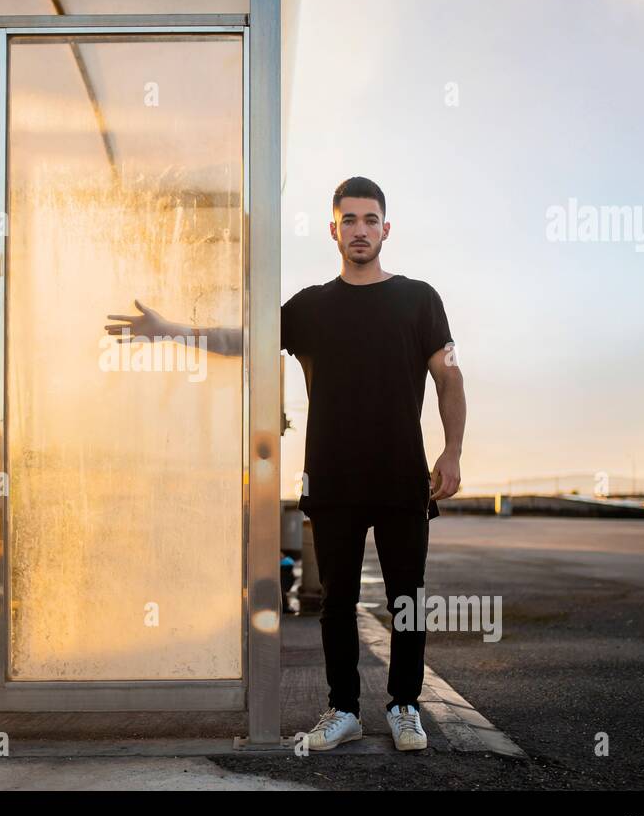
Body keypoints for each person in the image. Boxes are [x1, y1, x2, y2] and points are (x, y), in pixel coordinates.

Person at [105, 176, 466, 752]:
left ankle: (404, 707)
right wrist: (170, 330)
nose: (360, 230)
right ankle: (343, 709)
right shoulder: (311, 307)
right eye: (348, 220)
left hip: (402, 479)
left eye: (370, 220)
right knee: (337, 601)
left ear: (386, 229)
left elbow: (449, 375)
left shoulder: (420, 298)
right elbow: (243, 340)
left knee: (407, 597)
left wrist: (451, 451)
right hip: (331, 479)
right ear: (333, 230)